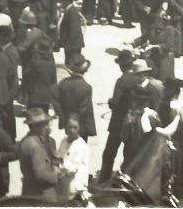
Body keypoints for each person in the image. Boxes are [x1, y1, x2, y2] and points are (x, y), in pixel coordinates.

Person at [99, 50, 136, 183]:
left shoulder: (122, 80)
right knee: (129, 154)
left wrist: (110, 102)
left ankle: (103, 180)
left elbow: (115, 102)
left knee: (109, 153)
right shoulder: (137, 78)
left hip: (118, 122)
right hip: (132, 122)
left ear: (121, 65)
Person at [18, 107, 59, 202]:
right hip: (42, 195)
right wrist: (58, 175)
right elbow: (41, 175)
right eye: (45, 125)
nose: (47, 127)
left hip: (28, 191)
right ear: (36, 127)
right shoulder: (35, 146)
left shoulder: (25, 141)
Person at [56, 54, 96, 141]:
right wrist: (75, 122)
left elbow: (56, 102)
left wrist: (65, 118)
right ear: (84, 70)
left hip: (67, 123)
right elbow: (84, 109)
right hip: (81, 125)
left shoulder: (63, 84)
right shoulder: (86, 87)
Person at [58, 114, 90, 203]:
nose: (72, 130)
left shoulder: (81, 145)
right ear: (66, 127)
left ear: (79, 128)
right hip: (64, 186)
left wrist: (59, 161)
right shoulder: (63, 141)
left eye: (75, 127)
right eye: (69, 127)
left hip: (76, 189)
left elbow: (72, 169)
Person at [58, 0, 85, 64]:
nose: (61, 3)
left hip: (73, 45)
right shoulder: (69, 10)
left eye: (62, 1)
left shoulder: (72, 12)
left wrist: (66, 44)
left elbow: (74, 30)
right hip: (72, 44)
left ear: (67, 1)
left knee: (73, 65)